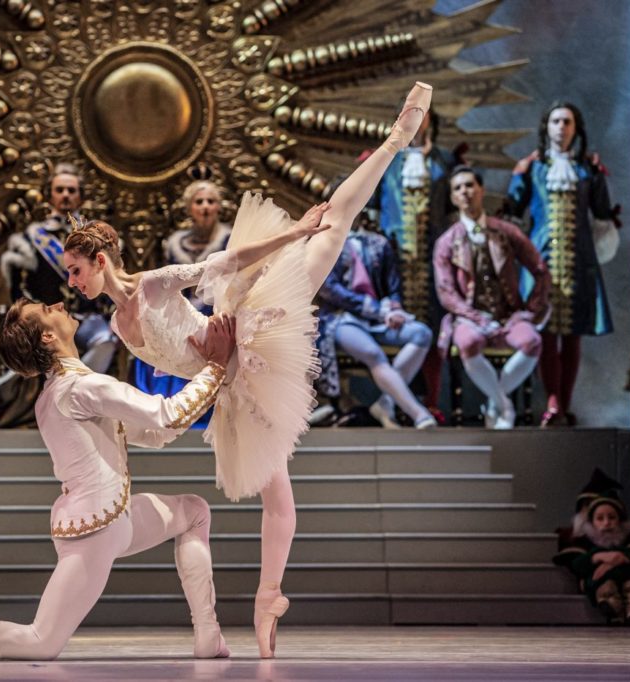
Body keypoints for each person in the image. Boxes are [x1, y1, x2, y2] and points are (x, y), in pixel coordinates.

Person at [64, 82, 433, 657]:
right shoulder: (115, 328)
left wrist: (293, 232)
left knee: (332, 225)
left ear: (101, 260)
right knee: (278, 500)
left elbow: (224, 261)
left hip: (250, 326)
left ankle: (395, 139)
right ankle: (269, 601)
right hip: (230, 382)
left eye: (75, 270)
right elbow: (180, 372)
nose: (72, 281)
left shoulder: (154, 283)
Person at [0, 302, 236, 661]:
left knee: (194, 511)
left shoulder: (62, 392)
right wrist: (216, 366)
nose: (61, 304)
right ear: (48, 336)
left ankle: (208, 633)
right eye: (49, 309)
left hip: (114, 519)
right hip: (97, 529)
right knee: (41, 641)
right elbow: (167, 414)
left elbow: (155, 432)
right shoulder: (81, 388)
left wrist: (208, 385)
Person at [506, 102, 620, 427]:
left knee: (572, 335)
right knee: (545, 333)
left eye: (567, 122)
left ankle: (563, 405)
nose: (561, 128)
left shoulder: (587, 170)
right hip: (541, 262)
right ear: (546, 127)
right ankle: (552, 402)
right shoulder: (534, 168)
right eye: (555, 121)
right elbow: (515, 208)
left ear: (576, 128)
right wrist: (517, 177)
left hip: (579, 261)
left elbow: (601, 214)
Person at [435, 166, 551, 429]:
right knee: (468, 342)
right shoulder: (446, 242)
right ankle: (503, 403)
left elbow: (541, 271)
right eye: (458, 188)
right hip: (468, 317)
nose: (465, 192)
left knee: (532, 341)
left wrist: (529, 310)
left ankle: (494, 401)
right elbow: (446, 291)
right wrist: (474, 317)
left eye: (469, 186)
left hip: (508, 314)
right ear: (453, 198)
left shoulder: (506, 232)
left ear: (481, 190)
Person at [367, 103, 457, 420]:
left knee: (432, 330)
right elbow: (374, 213)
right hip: (395, 264)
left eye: (423, 112)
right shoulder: (386, 160)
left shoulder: (445, 161)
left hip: (435, 261)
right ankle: (397, 403)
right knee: (402, 330)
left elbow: (452, 211)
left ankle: (429, 400)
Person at [316, 196, 436, 430]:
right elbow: (329, 289)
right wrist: (376, 310)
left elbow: (393, 286)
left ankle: (387, 402)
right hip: (341, 318)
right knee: (372, 353)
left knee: (421, 333)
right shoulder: (324, 243)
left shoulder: (378, 243)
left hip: (379, 318)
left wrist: (393, 309)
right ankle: (418, 413)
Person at [0, 162, 117, 373]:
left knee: (106, 340)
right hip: (48, 319)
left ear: (81, 196)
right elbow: (19, 288)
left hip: (87, 318)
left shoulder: (95, 237)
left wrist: (112, 316)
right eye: (59, 190)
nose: (65, 195)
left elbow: (109, 278)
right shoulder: (32, 238)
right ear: (49, 195)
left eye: (71, 190)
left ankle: (78, 389)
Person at [133, 179, 232, 428]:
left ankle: (208, 411)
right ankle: (170, 412)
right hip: (180, 309)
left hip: (218, 310)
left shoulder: (229, 239)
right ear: (189, 208)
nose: (205, 207)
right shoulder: (176, 242)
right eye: (199, 202)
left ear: (219, 206)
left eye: (211, 201)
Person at [553, 490, 630, 625]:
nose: (606, 523)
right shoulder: (584, 541)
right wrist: (598, 556)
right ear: (592, 522)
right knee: (597, 578)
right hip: (600, 581)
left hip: (627, 578)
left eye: (612, 517)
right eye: (600, 518)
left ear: (620, 520)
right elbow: (576, 564)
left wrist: (618, 558)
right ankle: (610, 603)